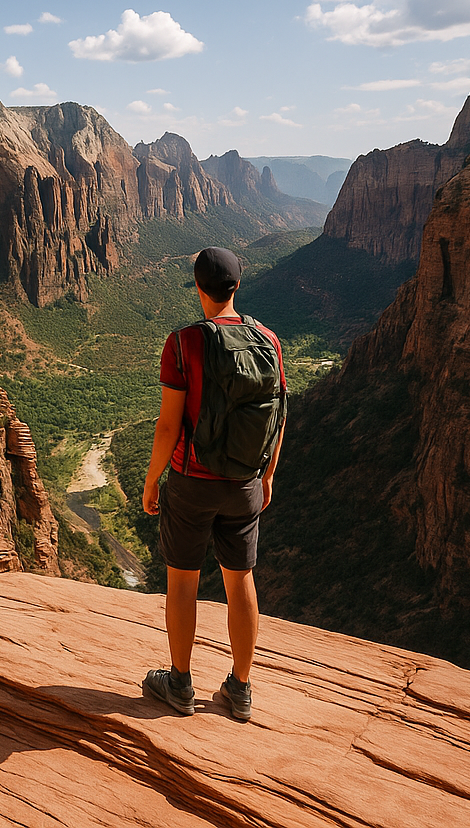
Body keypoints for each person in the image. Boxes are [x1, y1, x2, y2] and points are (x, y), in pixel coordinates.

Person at [141, 246, 286, 720]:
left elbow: (168, 425)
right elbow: (279, 415)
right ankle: (240, 688)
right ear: (237, 287)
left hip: (191, 480)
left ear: (198, 288)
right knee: (240, 578)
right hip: (245, 481)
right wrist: (267, 474)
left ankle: (179, 684)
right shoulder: (269, 341)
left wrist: (152, 479)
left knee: (182, 580)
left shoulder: (184, 343)